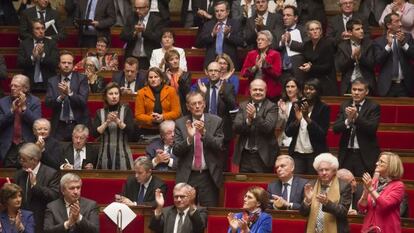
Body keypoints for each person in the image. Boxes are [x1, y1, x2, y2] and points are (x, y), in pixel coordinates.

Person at [173, 91, 224, 207]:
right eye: (193, 104)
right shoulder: (180, 123)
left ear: (204, 104)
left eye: (199, 103)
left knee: (209, 212)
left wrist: (204, 133)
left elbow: (219, 146)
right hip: (188, 175)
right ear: (188, 107)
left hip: (208, 176)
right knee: (185, 212)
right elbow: (176, 150)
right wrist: (190, 139)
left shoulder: (216, 121)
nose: (197, 106)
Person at [192, 61, 237, 170]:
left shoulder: (228, 87)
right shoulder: (201, 87)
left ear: (220, 73)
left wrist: (222, 91)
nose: (213, 73)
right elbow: (196, 108)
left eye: (216, 71)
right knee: (206, 163)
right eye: (211, 70)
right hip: (204, 130)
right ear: (206, 72)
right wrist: (204, 94)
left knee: (222, 166)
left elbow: (232, 106)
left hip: (222, 131)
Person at [333, 78, 380, 177]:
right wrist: (348, 121)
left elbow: (372, 128)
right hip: (347, 154)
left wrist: (357, 117)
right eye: (354, 89)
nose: (356, 92)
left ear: (366, 91)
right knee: (344, 185)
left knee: (363, 186)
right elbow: (336, 129)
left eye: (360, 90)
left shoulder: (373, 106)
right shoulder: (345, 105)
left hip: (364, 155)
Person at [285, 79, 330, 175]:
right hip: (297, 153)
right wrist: (297, 120)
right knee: (296, 183)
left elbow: (322, 134)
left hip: (315, 153)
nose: (308, 91)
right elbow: (288, 132)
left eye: (311, 89)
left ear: (318, 91)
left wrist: (307, 118)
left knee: (313, 184)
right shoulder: (296, 105)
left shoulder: (323, 108)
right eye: (306, 89)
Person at [233, 79, 278, 173]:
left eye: (261, 90)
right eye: (255, 89)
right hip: (245, 156)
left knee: (262, 186)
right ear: (250, 90)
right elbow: (236, 128)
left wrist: (255, 116)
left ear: (266, 91)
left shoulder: (272, 107)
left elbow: (268, 128)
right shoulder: (243, 105)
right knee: (245, 186)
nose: (258, 92)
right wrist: (248, 121)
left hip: (263, 156)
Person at [300, 153, 352, 233]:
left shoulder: (344, 186)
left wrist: (327, 203)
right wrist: (307, 201)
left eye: (327, 170)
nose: (324, 173)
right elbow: (303, 213)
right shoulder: (311, 185)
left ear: (334, 170)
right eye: (321, 170)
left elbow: (343, 212)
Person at [14, 143, 60, 233]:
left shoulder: (51, 174)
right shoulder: (19, 174)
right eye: (20, 159)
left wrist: (35, 186)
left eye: (24, 160)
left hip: (41, 221)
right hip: (21, 221)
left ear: (34, 160)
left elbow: (54, 196)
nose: (21, 162)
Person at [45, 51, 90, 141]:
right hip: (59, 125)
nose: (66, 65)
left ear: (73, 64)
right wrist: (60, 97)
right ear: (59, 64)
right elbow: (48, 103)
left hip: (77, 124)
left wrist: (69, 93)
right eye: (64, 62)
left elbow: (83, 102)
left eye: (69, 63)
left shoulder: (82, 79)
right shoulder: (52, 81)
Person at [0, 74, 41, 168]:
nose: (12, 88)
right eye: (11, 85)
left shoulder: (35, 101)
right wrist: (11, 111)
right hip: (9, 146)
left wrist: (24, 109)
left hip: (27, 144)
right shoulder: (2, 102)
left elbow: (37, 124)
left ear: (25, 89)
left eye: (16, 86)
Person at [92, 82, 135, 170]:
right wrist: (107, 122)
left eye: (116, 93)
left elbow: (132, 133)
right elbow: (94, 134)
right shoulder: (99, 112)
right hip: (105, 154)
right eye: (111, 94)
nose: (114, 96)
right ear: (105, 96)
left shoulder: (126, 110)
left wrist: (118, 121)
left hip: (123, 153)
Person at [358, 152, 405, 233]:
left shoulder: (398, 186)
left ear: (391, 166)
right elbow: (361, 208)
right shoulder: (373, 182)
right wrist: (366, 192)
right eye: (378, 161)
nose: (377, 163)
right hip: (368, 229)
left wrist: (370, 189)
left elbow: (385, 205)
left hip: (387, 229)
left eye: (381, 162)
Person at [374, 12, 414, 97]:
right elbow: (378, 61)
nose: (400, 24)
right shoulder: (378, 41)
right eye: (397, 21)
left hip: (405, 85)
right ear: (389, 25)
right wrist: (388, 45)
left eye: (400, 21)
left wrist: (403, 44)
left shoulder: (407, 37)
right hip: (387, 86)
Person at [135, 67, 181, 135]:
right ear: (147, 80)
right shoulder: (141, 93)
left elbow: (177, 112)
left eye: (156, 77)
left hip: (168, 129)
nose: (153, 79)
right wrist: (152, 119)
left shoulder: (171, 91)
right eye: (150, 77)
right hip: (147, 130)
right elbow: (138, 115)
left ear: (161, 78)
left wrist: (163, 117)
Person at [198, 1, 244, 69]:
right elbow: (200, 42)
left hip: (229, 62)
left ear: (227, 12)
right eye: (217, 11)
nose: (219, 13)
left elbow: (242, 42)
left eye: (222, 10)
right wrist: (212, 34)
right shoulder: (208, 25)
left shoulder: (235, 24)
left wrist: (228, 35)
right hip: (211, 61)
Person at [17, 19, 59, 93]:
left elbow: (55, 63)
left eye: (43, 28)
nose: (41, 31)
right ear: (32, 30)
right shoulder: (24, 44)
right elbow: (20, 63)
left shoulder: (52, 43)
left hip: (48, 82)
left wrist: (43, 55)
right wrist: (33, 57)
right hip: (29, 83)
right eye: (37, 28)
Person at [121, 0, 165, 70]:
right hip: (132, 57)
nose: (137, 10)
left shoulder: (157, 20)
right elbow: (123, 36)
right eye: (135, 8)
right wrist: (135, 32)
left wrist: (144, 31)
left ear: (147, 7)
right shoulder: (131, 18)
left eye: (140, 8)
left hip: (149, 58)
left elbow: (158, 38)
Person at [336, 19, 376, 95]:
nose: (361, 31)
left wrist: (360, 57)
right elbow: (340, 68)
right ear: (350, 32)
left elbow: (372, 64)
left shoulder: (369, 44)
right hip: (348, 85)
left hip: (367, 85)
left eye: (361, 28)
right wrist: (352, 58)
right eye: (357, 29)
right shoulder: (342, 46)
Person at [241, 30, 282, 101]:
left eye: (262, 39)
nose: (259, 42)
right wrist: (254, 68)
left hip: (269, 92)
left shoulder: (275, 54)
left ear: (269, 42)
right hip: (253, 91)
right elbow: (243, 73)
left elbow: (277, 74)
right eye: (258, 39)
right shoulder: (251, 54)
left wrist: (265, 64)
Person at [299, 20, 337, 96]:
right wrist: (304, 66)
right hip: (311, 81)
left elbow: (327, 67)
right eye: (312, 30)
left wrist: (311, 67)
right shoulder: (307, 45)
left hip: (326, 82)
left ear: (321, 31)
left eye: (317, 29)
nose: (315, 31)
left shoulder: (327, 44)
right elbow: (305, 60)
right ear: (308, 33)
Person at [274, 5, 307, 84]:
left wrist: (290, 42)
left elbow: (307, 47)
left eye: (288, 15)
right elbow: (272, 47)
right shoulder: (278, 31)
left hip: (297, 70)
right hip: (281, 72)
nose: (285, 17)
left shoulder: (303, 30)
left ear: (295, 17)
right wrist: (281, 43)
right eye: (284, 15)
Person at [164, 49, 192, 115]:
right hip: (168, 106)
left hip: (182, 106)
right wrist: (169, 79)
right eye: (171, 59)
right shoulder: (163, 75)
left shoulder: (186, 74)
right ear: (167, 62)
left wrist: (180, 78)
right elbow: (163, 93)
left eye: (177, 58)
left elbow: (187, 93)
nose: (175, 61)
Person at [276, 77, 301, 147]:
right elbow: (278, 125)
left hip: (299, 138)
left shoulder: (302, 103)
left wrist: (286, 113)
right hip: (284, 138)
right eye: (287, 87)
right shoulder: (282, 104)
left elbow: (298, 124)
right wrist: (282, 112)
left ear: (298, 89)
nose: (289, 89)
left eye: (292, 86)